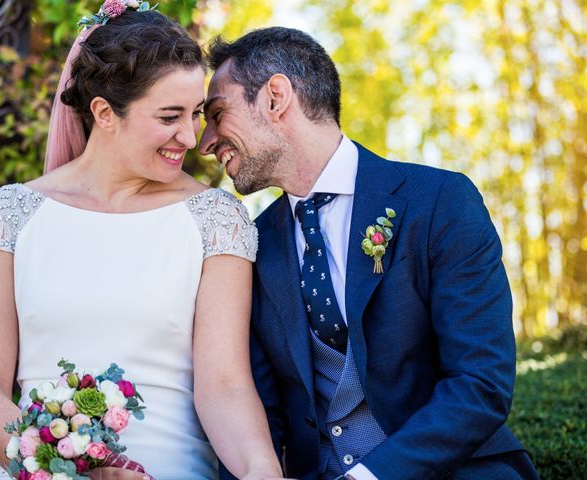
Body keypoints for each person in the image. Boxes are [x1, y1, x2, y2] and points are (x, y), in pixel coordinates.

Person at [0, 5, 284, 480]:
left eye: (196, 114)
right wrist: (63, 468)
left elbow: (225, 386)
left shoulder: (216, 219)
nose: (190, 138)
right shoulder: (9, 216)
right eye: (170, 116)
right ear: (105, 113)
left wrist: (261, 469)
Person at [199, 27, 539, 480]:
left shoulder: (439, 202)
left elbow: (481, 384)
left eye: (218, 114)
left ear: (276, 97)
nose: (206, 142)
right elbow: (260, 413)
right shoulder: (252, 244)